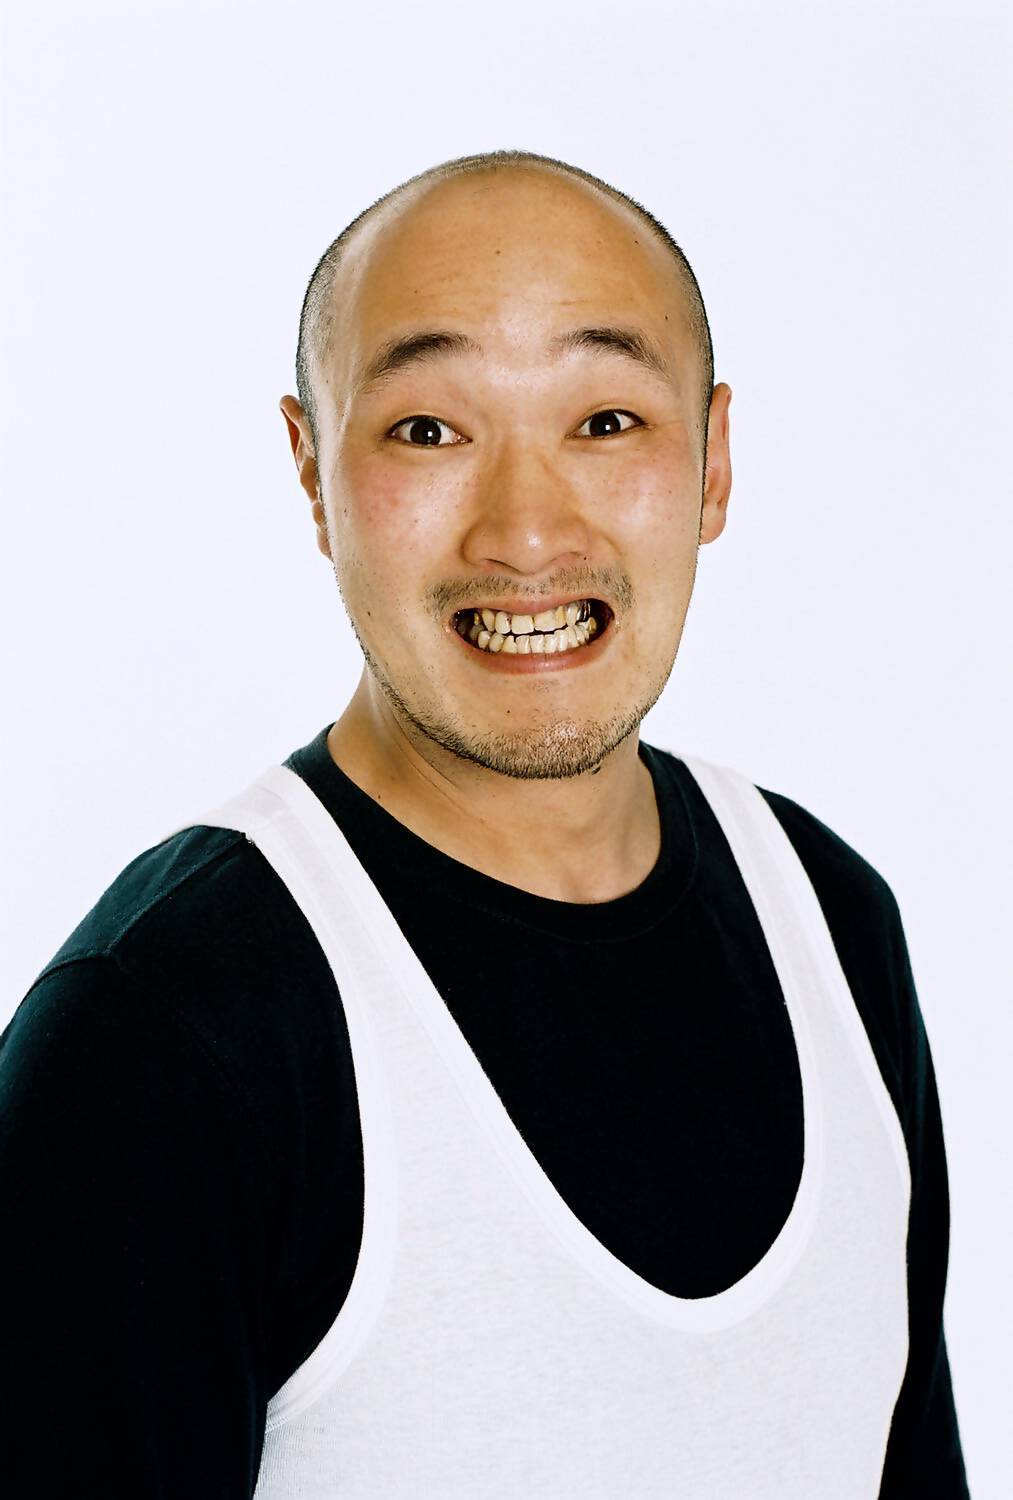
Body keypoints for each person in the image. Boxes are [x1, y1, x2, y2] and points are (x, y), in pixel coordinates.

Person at [1, 149, 969, 1498]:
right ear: (311, 471)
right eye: (428, 431)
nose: (523, 532)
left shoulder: (832, 921)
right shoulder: (166, 1032)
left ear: (712, 461)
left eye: (606, 420)